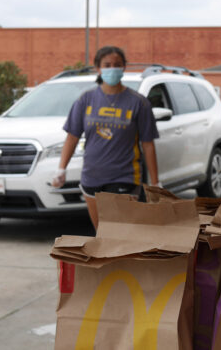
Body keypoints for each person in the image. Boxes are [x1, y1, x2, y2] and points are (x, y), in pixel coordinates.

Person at [51, 46, 160, 229]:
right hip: (92, 177)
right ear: (98, 68)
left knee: (119, 234)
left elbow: (148, 144)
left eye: (117, 65)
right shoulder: (86, 100)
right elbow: (72, 136)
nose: (112, 69)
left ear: (124, 67)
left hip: (125, 177)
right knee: (102, 234)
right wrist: (61, 169)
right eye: (107, 65)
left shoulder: (138, 102)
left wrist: (156, 183)